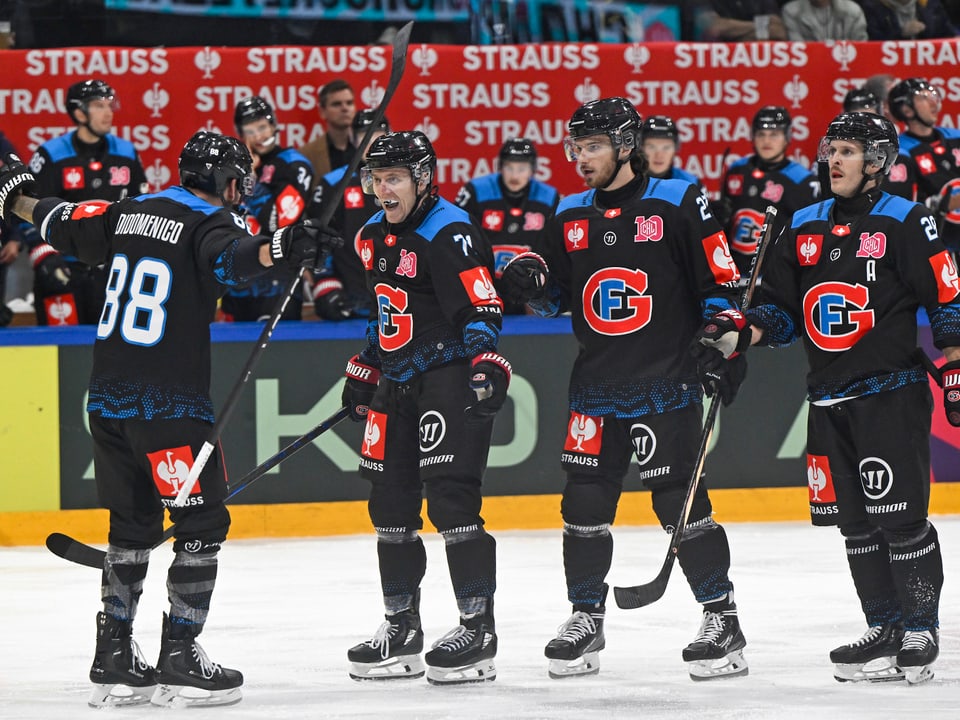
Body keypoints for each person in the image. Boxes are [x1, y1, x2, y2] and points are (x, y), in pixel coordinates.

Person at [0, 131, 338, 706]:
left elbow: (56, 218)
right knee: (201, 527)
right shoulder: (211, 223)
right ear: (229, 181)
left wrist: (13, 197)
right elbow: (235, 264)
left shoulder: (128, 211)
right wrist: (281, 248)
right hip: (170, 411)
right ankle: (180, 657)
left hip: (106, 403)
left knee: (130, 527)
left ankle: (113, 658)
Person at [694, 111, 954, 685]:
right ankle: (884, 626)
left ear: (878, 162)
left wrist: (956, 369)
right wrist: (744, 331)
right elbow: (781, 312)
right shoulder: (803, 223)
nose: (833, 159)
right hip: (828, 399)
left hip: (890, 394)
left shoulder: (908, 221)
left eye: (848, 150)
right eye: (830, 148)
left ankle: (920, 627)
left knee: (902, 520)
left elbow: (947, 299)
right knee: (854, 524)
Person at [498, 97, 749, 682]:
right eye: (575, 148)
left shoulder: (681, 200)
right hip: (596, 387)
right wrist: (529, 285)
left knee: (680, 506)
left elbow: (721, 281)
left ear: (626, 146)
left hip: (666, 381)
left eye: (593, 147)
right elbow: (555, 295)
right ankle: (586, 616)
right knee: (582, 506)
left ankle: (723, 616)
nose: (581, 159)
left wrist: (720, 332)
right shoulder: (569, 212)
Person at [341, 130, 509, 685]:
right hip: (397, 382)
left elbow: (482, 306)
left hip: (446, 378)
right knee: (389, 509)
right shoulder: (370, 236)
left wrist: (486, 360)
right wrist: (367, 365)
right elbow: (385, 311)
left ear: (422, 178)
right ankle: (402, 628)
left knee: (452, 503)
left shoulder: (449, 231)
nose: (382, 189)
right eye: (375, 179)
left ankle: (477, 629)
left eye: (393, 178)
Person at [27, 79, 148, 326]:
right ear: (79, 112)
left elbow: (142, 208)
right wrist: (45, 257)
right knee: (62, 349)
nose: (108, 112)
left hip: (114, 270)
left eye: (109, 104)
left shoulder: (126, 152)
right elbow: (29, 209)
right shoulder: (50, 154)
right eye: (98, 105)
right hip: (65, 269)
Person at [221, 96, 314, 321]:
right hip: (238, 280)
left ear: (273, 125)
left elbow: (277, 221)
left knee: (281, 353)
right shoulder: (231, 168)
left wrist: (251, 180)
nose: (259, 136)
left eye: (262, 127)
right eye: (250, 131)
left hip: (279, 281)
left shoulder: (295, 164)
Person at [454, 138, 560, 314]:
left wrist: (540, 291)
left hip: (526, 288)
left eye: (522, 168)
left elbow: (555, 247)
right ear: (500, 167)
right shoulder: (476, 191)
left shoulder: (548, 197)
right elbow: (455, 236)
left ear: (533, 169)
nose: (515, 175)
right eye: (510, 168)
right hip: (480, 286)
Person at [306, 107, 391, 321]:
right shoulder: (334, 183)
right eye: (365, 136)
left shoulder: (408, 181)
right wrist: (326, 283)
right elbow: (317, 238)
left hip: (401, 298)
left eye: (378, 137)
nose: (372, 143)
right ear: (353, 139)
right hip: (352, 301)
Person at [717, 106, 820, 276]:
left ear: (787, 137)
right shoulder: (737, 170)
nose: (767, 141)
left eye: (774, 135)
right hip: (736, 274)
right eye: (761, 134)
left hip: (777, 277)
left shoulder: (803, 181)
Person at [886, 78, 960, 251]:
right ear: (907, 109)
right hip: (933, 246)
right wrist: (944, 203)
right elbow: (898, 207)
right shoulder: (900, 151)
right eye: (923, 98)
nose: (933, 102)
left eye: (933, 95)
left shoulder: (955, 137)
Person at [299, 79, 357, 187]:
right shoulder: (307, 155)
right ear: (322, 112)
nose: (345, 108)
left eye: (349, 103)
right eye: (336, 104)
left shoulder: (367, 148)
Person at [640, 115, 707, 193]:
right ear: (641, 149)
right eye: (651, 147)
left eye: (666, 148)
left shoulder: (690, 184)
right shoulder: (628, 181)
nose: (659, 155)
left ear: (675, 149)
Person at [692, 0, 788, 40]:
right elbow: (714, 28)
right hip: (717, 61)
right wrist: (762, 27)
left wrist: (731, 29)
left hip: (756, 59)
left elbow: (778, 31)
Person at [859, 0, 958, 39]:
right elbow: (872, 44)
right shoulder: (871, 8)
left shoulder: (930, 5)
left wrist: (955, 40)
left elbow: (946, 32)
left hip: (928, 67)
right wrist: (901, 33)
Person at [780, 0, 868, 40]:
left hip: (846, 69)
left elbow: (861, 49)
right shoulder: (791, 12)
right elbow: (797, 48)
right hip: (809, 68)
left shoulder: (853, 11)